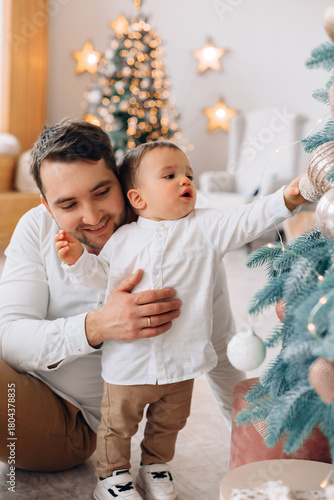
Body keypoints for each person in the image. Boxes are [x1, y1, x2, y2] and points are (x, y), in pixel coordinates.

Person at [55, 139, 306, 500]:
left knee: (169, 422)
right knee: (118, 425)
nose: (185, 180)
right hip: (129, 362)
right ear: (138, 199)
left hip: (182, 359)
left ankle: (156, 464)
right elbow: (101, 279)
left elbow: (249, 217)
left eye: (188, 173)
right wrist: (78, 260)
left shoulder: (206, 227)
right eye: (170, 175)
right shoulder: (124, 239)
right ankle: (112, 475)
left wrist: (290, 196)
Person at [0, 120, 245, 480]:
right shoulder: (36, 227)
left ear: (119, 179)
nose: (93, 216)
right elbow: (10, 338)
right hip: (21, 384)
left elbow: (220, 346)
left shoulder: (177, 236)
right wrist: (97, 325)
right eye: (68, 204)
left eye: (101, 192)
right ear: (47, 206)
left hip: (75, 423)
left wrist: (252, 439)